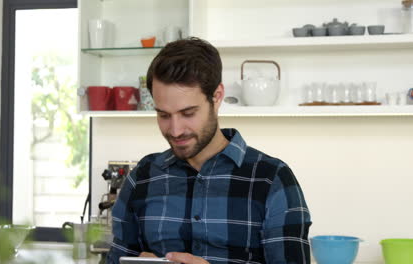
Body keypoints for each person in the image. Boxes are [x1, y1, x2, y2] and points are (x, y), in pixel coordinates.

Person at [106, 37, 312, 264]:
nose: (175, 130)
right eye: (163, 115)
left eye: (188, 113)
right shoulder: (143, 177)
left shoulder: (272, 179)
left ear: (216, 97)